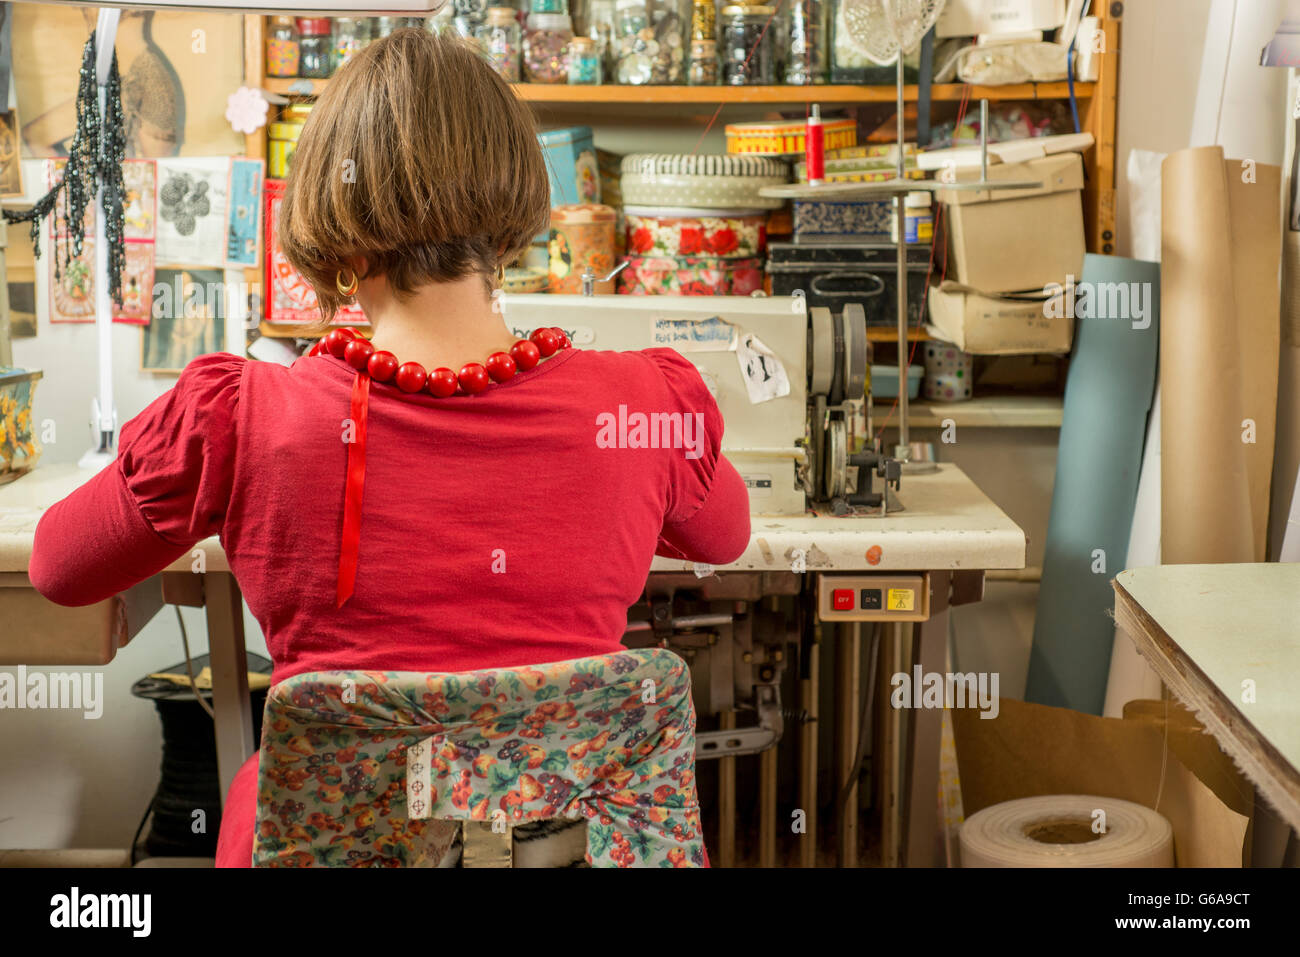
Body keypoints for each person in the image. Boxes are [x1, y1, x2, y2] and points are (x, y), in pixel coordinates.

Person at [29, 29, 750, 867]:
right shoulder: (643, 406)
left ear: (338, 232)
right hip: (555, 847)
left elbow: (58, 566)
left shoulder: (239, 415)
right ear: (513, 206)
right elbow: (724, 537)